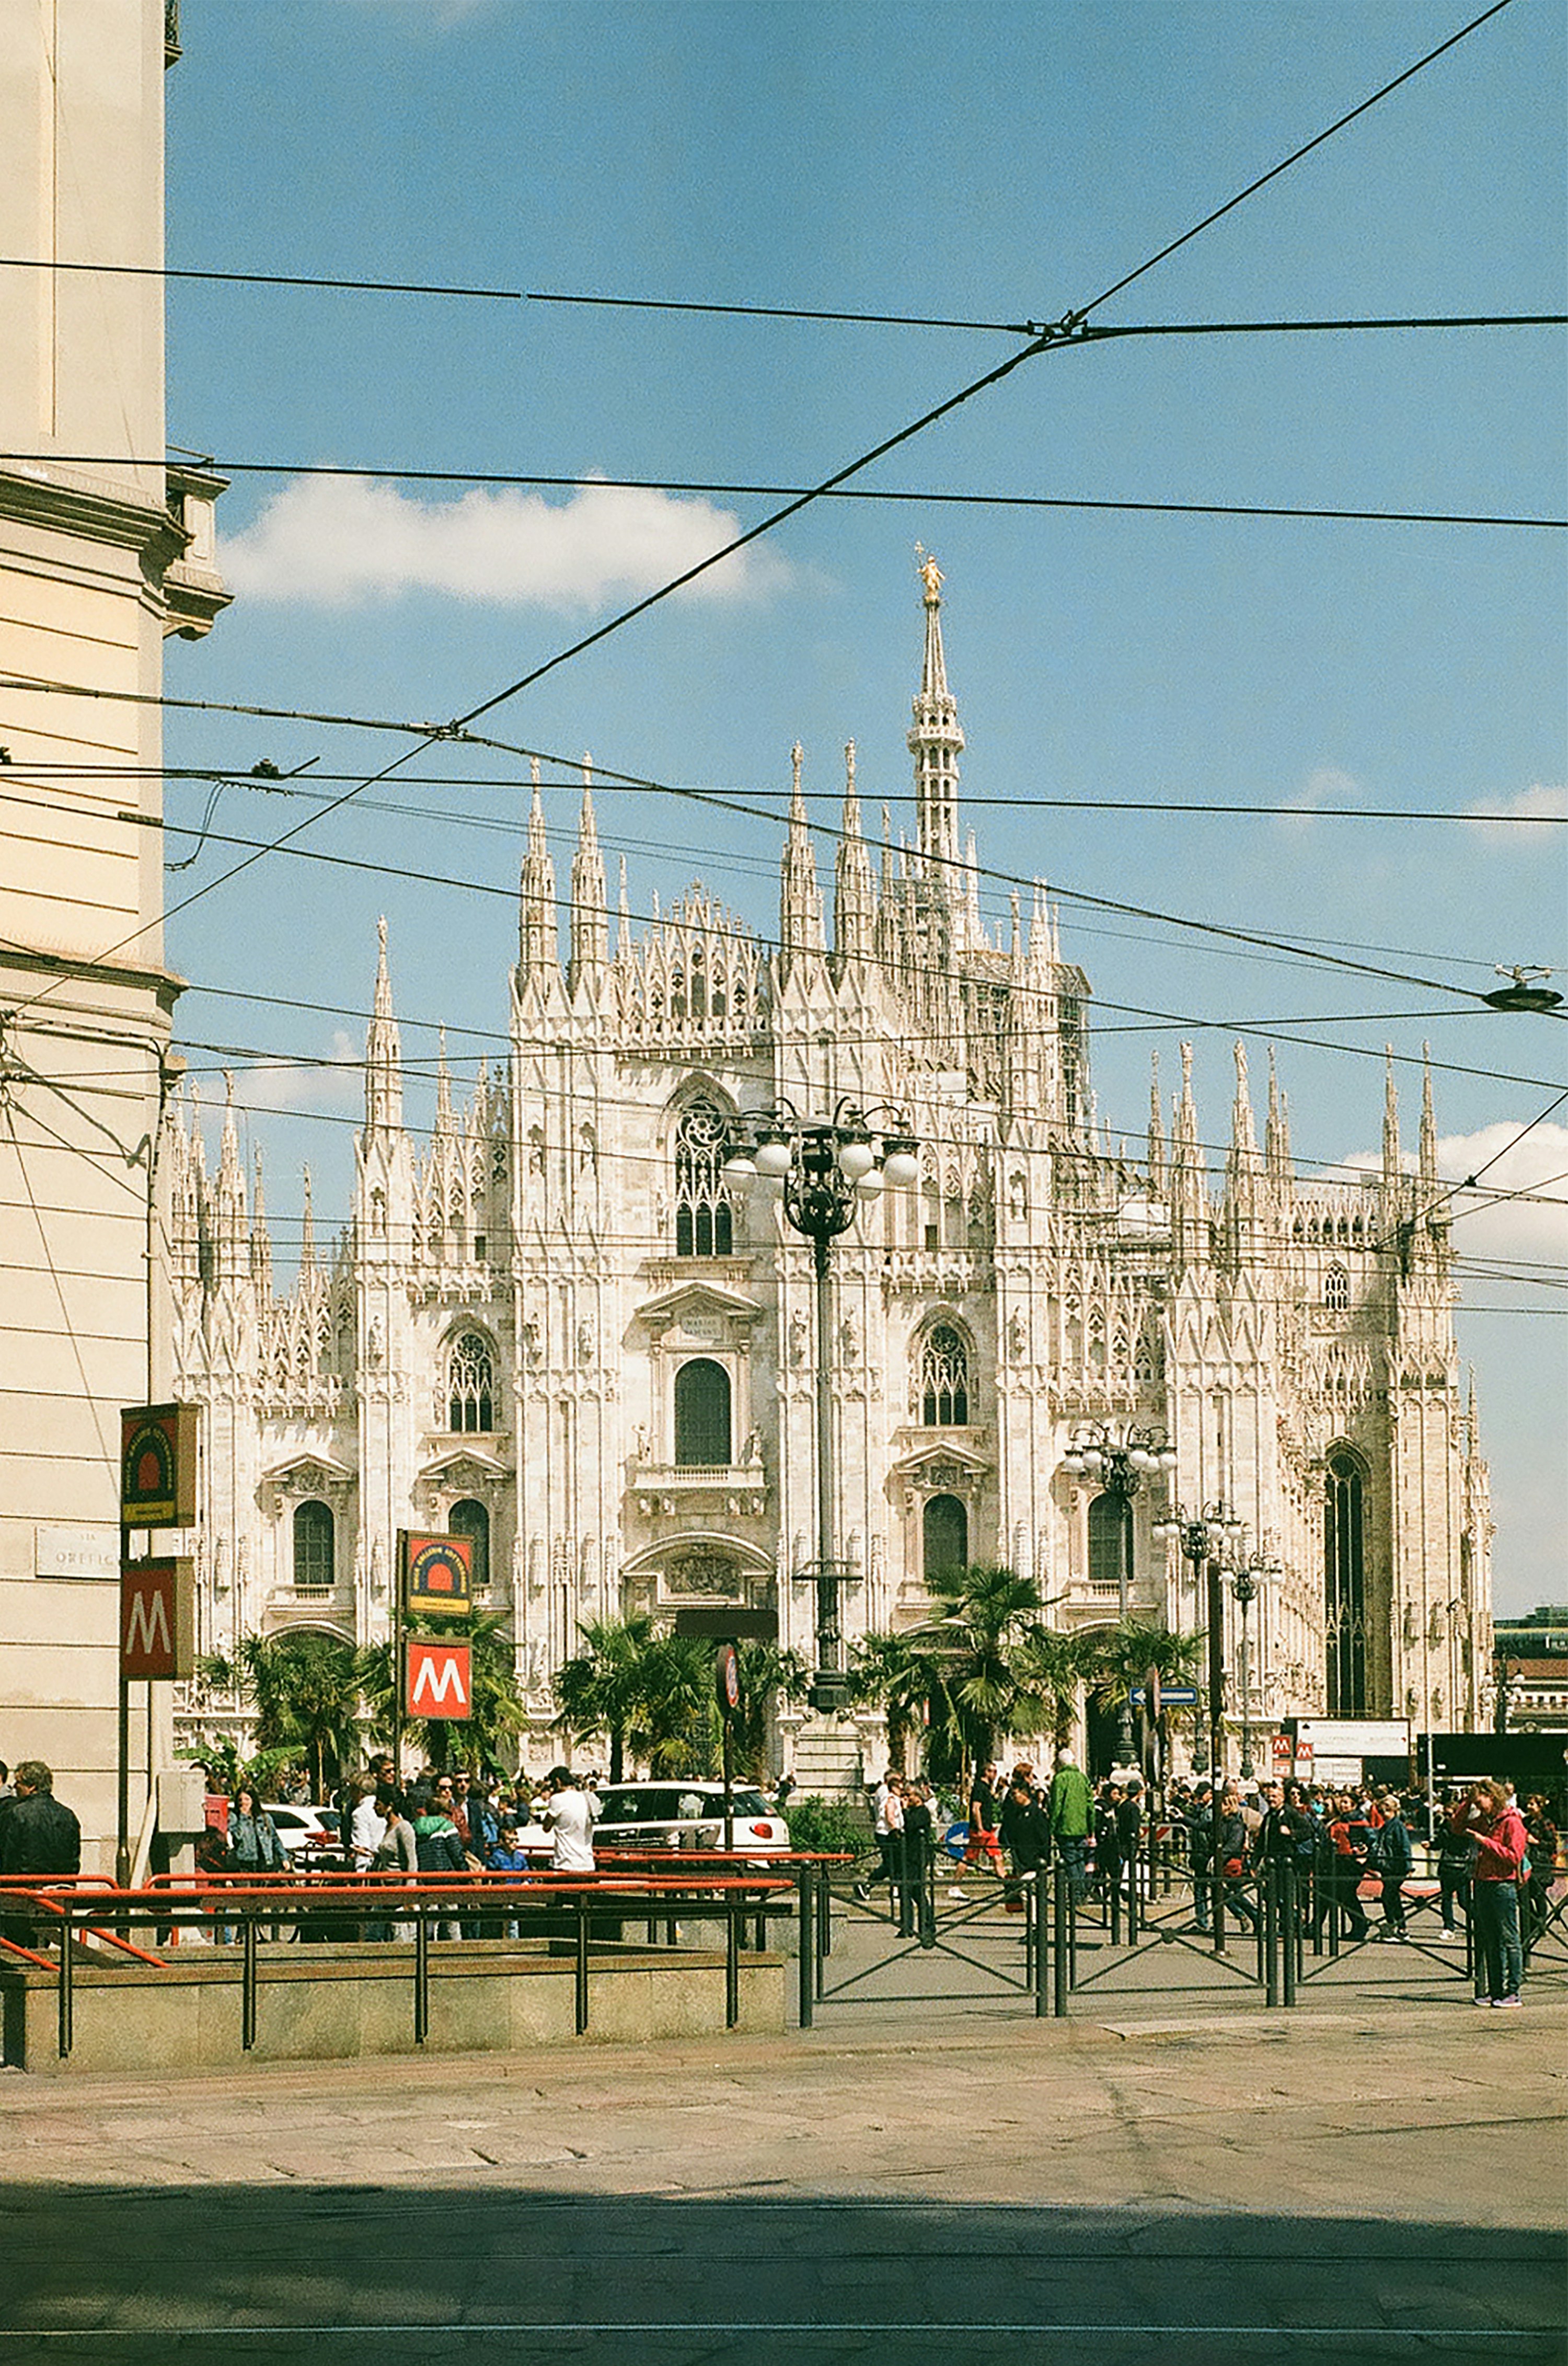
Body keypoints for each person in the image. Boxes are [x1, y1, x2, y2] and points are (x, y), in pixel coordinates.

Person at [0, 1761, 83, 1954]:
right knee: (41, 1942)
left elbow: (8, 1857)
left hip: (21, 1893)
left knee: (14, 1945)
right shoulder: (68, 1815)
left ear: (31, 1786)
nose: (14, 1787)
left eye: (18, 1782)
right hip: (57, 1895)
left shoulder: (16, 1814)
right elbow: (74, 1858)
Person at [1468, 1778, 1527, 2006]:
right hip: (1484, 1882)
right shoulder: (1487, 1821)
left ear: (1491, 1797)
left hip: (1502, 1884)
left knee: (1509, 1938)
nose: (1477, 1806)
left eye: (1479, 1800)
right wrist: (1466, 1803)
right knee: (1492, 1939)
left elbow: (1514, 1856)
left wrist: (1485, 1843)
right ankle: (1496, 1989)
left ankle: (1513, 1990)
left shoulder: (1512, 1823)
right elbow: (1458, 1826)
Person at [1047, 1749, 1094, 1908]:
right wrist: (1091, 1826)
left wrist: (1051, 1828)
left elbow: (1056, 1806)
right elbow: (1090, 1806)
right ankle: (1082, 1894)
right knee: (1080, 1861)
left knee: (1070, 1861)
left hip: (1065, 1828)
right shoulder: (1083, 1778)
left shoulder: (1060, 1779)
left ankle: (1077, 1893)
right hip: (1082, 1828)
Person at [1370, 1792, 1413, 1940]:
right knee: (1391, 1897)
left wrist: (1408, 1867)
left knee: (1389, 1895)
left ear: (1394, 1810)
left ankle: (1397, 1927)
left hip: (1396, 1867)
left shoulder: (1398, 1827)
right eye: (1381, 1812)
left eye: (1386, 1811)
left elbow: (1405, 1847)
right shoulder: (1385, 1827)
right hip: (1388, 1867)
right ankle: (1397, 1927)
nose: (1383, 1815)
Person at [541, 1766, 599, 1874]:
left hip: (565, 1863)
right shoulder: (588, 1798)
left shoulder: (557, 1800)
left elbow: (546, 1827)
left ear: (558, 1782)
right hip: (587, 1863)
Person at [1435, 1791, 1475, 1938]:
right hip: (1447, 1865)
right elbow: (1440, 1843)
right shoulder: (1445, 1827)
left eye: (1451, 1814)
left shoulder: (1464, 1828)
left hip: (1462, 1867)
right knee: (1446, 1898)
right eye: (1446, 1814)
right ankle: (1449, 1927)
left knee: (1464, 1901)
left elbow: (1465, 1845)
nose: (1448, 1817)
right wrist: (1432, 1845)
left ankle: (1476, 1924)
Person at [964, 1763, 1006, 1878]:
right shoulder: (980, 1787)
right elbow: (975, 1809)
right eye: (992, 1771)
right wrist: (980, 1827)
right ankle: (955, 1885)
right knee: (969, 1857)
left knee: (998, 1856)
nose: (994, 1774)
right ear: (986, 1772)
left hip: (987, 1828)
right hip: (981, 1829)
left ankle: (1006, 1883)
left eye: (996, 1772)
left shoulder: (986, 1788)